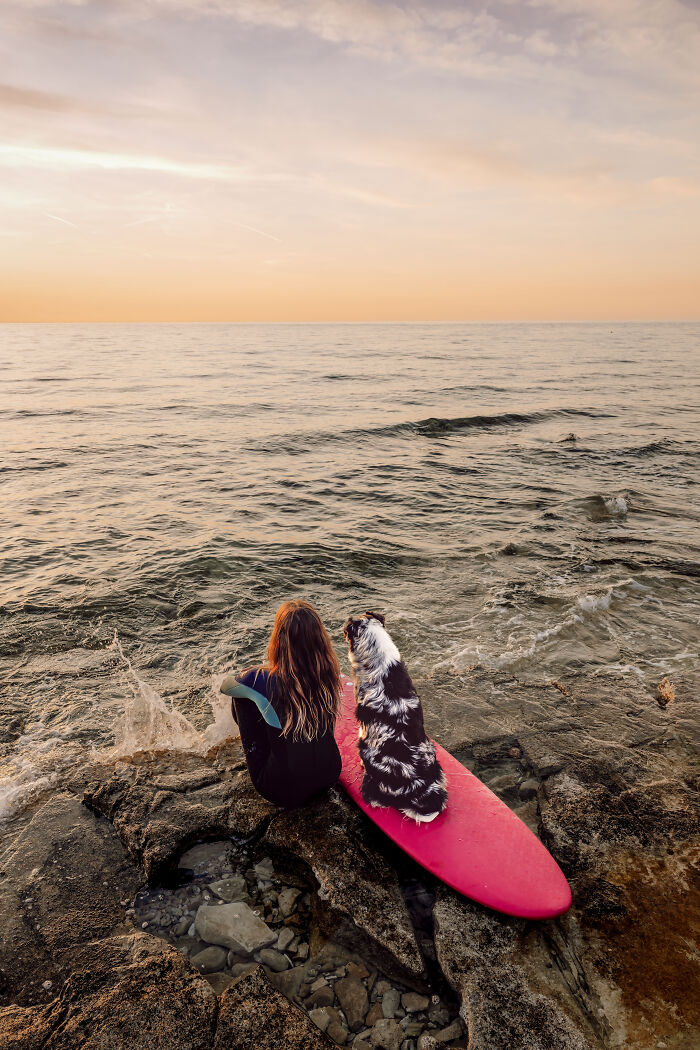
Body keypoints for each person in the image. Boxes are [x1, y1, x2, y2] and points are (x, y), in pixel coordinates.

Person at [222, 599, 343, 808]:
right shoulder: (329, 673)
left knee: (243, 696)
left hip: (283, 789)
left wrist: (259, 670)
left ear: (278, 639)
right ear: (320, 639)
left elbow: (226, 686)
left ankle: (262, 755)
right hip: (330, 775)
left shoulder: (262, 679)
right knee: (267, 703)